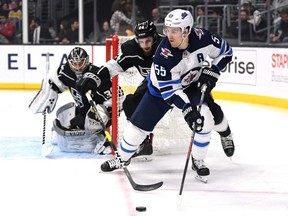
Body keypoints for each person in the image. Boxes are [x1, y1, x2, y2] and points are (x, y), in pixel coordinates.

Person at [100, 9, 234, 179]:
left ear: (187, 30)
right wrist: (187, 109)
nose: (169, 35)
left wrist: (214, 69)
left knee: (205, 118)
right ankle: (122, 158)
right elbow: (171, 93)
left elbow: (226, 52)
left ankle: (198, 160)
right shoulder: (163, 55)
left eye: (174, 31)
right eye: (168, 30)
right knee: (136, 129)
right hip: (159, 92)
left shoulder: (204, 38)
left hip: (191, 86)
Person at [29, 47, 119, 154]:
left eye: (80, 63)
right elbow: (54, 83)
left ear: (86, 61)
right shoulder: (66, 71)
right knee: (67, 115)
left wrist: (101, 113)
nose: (77, 67)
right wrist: (48, 95)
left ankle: (102, 141)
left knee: (91, 120)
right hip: (83, 108)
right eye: (74, 64)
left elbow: (115, 97)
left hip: (100, 111)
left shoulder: (96, 73)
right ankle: (67, 132)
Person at [97, 20, 163, 160]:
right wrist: (95, 78)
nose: (145, 46)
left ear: (155, 38)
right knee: (129, 102)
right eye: (142, 41)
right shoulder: (131, 49)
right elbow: (114, 66)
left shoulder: (165, 47)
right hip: (151, 84)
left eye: (148, 41)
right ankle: (143, 142)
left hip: (173, 86)